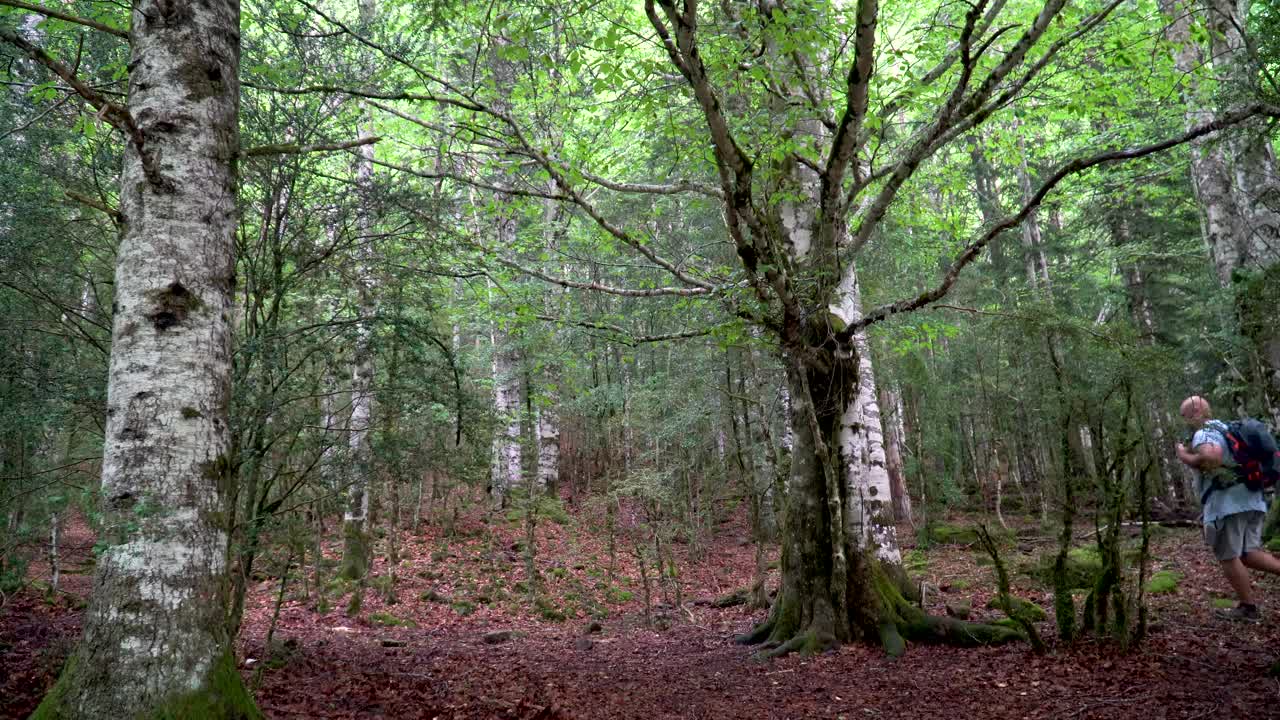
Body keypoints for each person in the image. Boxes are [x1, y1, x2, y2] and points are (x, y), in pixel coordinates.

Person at [1176, 395, 1280, 622]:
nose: (1185, 422)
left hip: (1228, 504)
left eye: (1185, 417)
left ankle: (1247, 608)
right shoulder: (1226, 429)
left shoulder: (1205, 432)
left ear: (1196, 413)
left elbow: (1211, 457)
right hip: (1253, 499)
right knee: (1249, 554)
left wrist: (1184, 455)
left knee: (1228, 556)